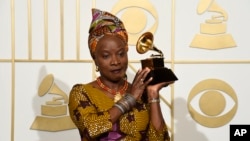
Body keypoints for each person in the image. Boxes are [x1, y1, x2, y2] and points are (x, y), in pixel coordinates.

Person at [68, 8, 171, 141]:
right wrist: (130, 99)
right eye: (106, 56)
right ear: (96, 59)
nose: (116, 61)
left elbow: (160, 140)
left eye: (121, 54)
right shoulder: (81, 93)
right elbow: (91, 128)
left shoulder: (142, 94)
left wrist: (152, 94)